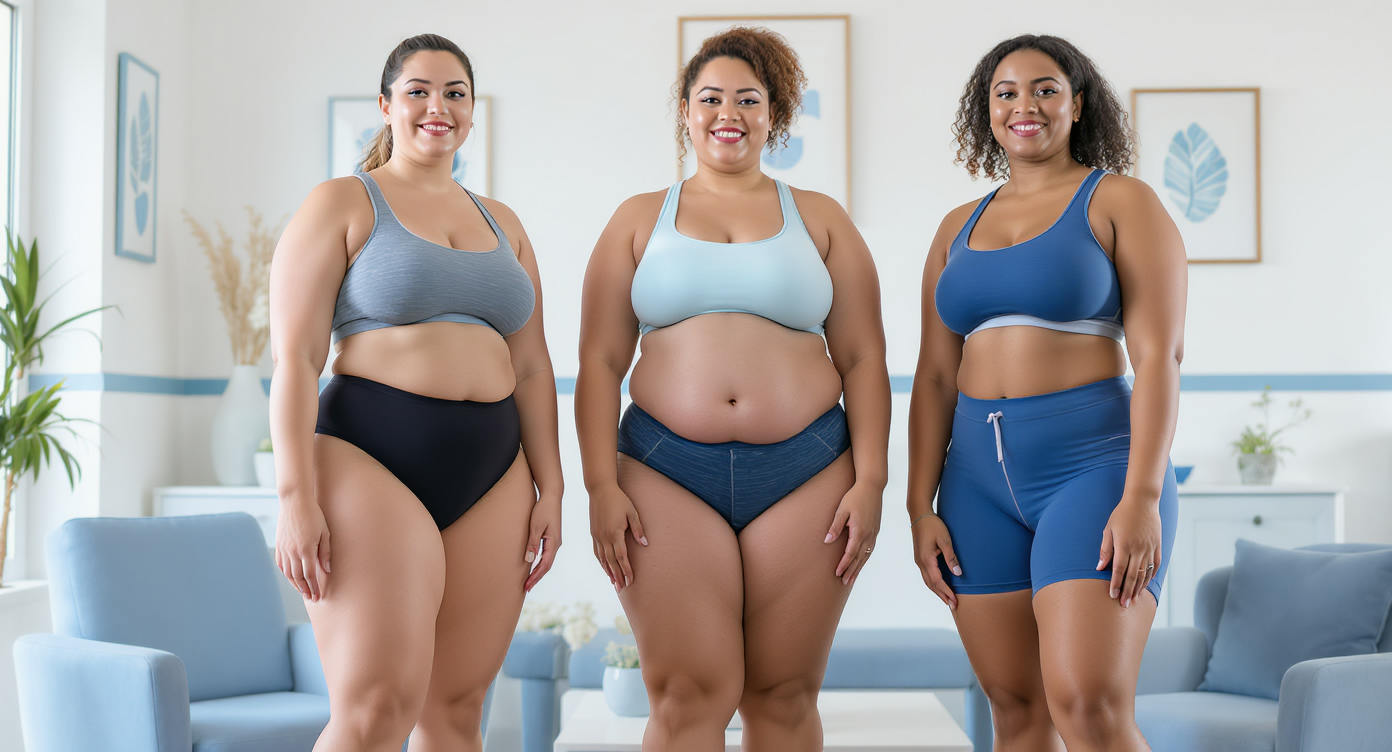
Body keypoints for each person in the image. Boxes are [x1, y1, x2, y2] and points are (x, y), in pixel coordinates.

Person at [576, 26, 891, 752]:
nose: (729, 113)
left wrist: (871, 480)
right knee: (688, 695)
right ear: (685, 111)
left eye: (748, 100)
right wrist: (600, 486)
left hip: (809, 470)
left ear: (774, 114)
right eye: (710, 98)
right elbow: (598, 363)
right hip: (662, 471)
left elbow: (865, 358)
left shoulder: (820, 218)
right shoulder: (635, 219)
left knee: (781, 696)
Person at [268, 33, 563, 752]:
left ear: (472, 111)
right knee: (375, 710)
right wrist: (293, 498)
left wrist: (552, 489)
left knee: (457, 712)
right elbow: (298, 359)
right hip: (371, 455)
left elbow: (531, 368)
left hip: (494, 473)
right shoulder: (342, 202)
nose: (439, 107)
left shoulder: (506, 223)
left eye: (455, 93)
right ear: (386, 106)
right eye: (419, 91)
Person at [908, 34, 1185, 752]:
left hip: (1093, 470)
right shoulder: (954, 229)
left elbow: (1160, 356)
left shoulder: (1120, 200)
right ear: (986, 110)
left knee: (1087, 705)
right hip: (974, 484)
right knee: (1016, 709)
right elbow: (935, 376)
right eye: (1006, 92)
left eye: (1044, 88)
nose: (1023, 105)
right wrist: (917, 505)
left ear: (1077, 103)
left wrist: (1143, 498)